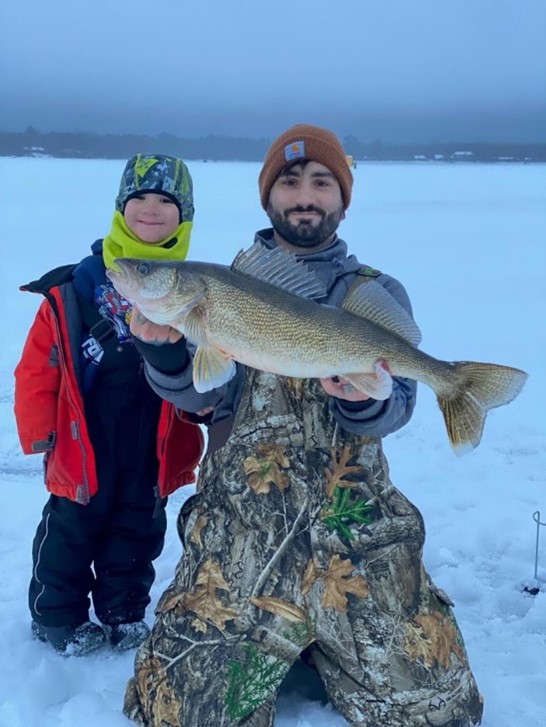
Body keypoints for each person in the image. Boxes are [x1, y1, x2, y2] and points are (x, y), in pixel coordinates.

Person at [123, 127, 483, 726]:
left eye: (322, 182)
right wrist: (164, 354)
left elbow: (396, 407)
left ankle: (325, 640)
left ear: (343, 199)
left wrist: (365, 400)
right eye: (289, 182)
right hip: (245, 529)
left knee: (436, 713)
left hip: (352, 531)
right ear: (269, 198)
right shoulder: (231, 281)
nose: (305, 196)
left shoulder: (373, 292)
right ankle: (285, 635)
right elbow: (206, 396)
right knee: (189, 713)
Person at [14, 154, 204, 656]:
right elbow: (38, 365)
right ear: (121, 207)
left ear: (183, 215)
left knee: (138, 528)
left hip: (152, 436)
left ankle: (123, 613)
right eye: (139, 197)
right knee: (72, 528)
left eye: (166, 201)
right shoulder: (77, 284)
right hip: (84, 435)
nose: (151, 209)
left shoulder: (196, 288)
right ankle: (57, 616)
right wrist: (39, 431)